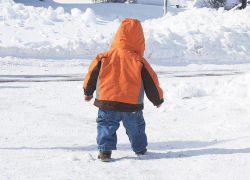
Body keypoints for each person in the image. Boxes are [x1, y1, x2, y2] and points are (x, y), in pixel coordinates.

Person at [83, 18, 164, 162]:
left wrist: (88, 92)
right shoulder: (139, 61)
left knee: (106, 126)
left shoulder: (103, 57)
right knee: (136, 127)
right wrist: (157, 100)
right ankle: (139, 148)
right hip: (131, 104)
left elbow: (91, 75)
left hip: (107, 101)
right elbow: (151, 82)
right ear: (140, 40)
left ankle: (105, 151)